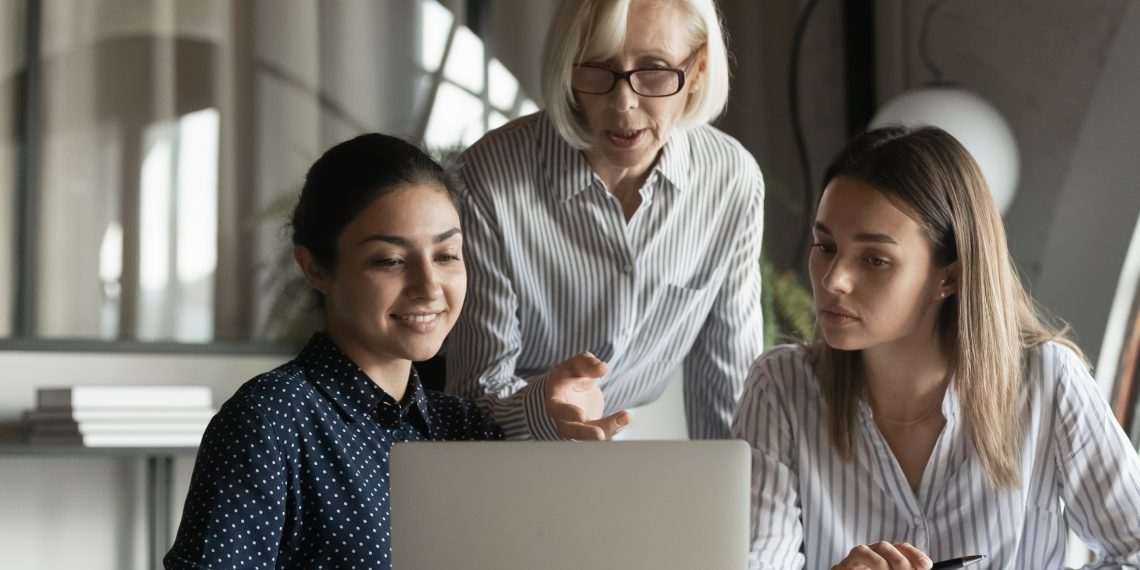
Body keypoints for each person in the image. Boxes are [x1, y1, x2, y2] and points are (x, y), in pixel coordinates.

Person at [732, 126, 1140, 569]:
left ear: (949, 276)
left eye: (874, 260)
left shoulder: (1048, 381)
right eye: (825, 246)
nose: (833, 280)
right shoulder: (780, 388)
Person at [164, 134, 502, 570]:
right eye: (390, 261)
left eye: (446, 254)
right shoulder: (270, 419)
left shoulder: (464, 428)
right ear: (314, 267)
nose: (429, 286)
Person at [446, 0, 765, 441]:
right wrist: (543, 411)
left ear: (697, 70)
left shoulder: (731, 181)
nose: (623, 102)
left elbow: (728, 390)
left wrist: (732, 500)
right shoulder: (488, 179)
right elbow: (473, 400)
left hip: (626, 461)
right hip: (508, 460)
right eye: (597, 68)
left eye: (653, 71)